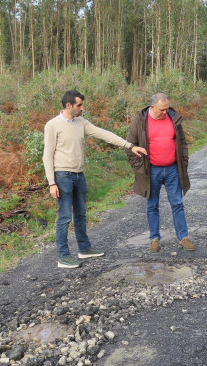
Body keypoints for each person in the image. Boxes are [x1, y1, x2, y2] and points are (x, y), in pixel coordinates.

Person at [43, 89, 147, 269]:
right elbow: (47, 155)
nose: (82, 108)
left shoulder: (81, 122)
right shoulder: (52, 125)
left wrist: (130, 146)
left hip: (78, 175)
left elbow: (103, 133)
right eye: (79, 105)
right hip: (62, 176)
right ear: (69, 105)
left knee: (81, 214)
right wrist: (52, 182)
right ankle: (63, 256)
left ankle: (84, 249)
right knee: (65, 217)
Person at [126, 93, 194, 253]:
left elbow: (182, 143)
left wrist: (183, 162)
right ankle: (154, 239)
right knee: (152, 205)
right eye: (162, 110)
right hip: (151, 170)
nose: (165, 112)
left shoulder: (173, 118)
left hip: (172, 169)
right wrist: (139, 167)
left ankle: (183, 237)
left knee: (177, 203)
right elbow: (129, 145)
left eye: (167, 109)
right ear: (152, 107)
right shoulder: (140, 121)